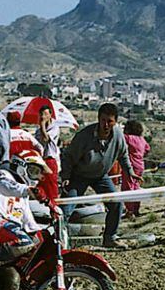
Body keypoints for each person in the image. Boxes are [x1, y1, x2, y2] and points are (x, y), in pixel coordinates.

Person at [61, 103, 143, 247]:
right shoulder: (84, 136)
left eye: (110, 121)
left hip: (100, 176)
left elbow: (123, 155)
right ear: (98, 119)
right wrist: (66, 177)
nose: (106, 125)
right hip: (79, 175)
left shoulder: (118, 135)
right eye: (103, 120)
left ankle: (110, 238)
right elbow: (68, 156)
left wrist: (130, 172)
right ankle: (58, 242)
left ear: (115, 121)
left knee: (116, 204)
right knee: (66, 208)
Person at [0, 149, 51, 285]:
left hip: (11, 228)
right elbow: (8, 188)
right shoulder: (3, 175)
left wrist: (43, 232)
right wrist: (29, 191)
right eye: (33, 171)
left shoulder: (23, 192)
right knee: (24, 241)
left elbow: (28, 219)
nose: (35, 177)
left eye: (38, 174)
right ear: (22, 166)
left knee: (37, 242)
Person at [121, 120, 150, 217]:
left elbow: (119, 138)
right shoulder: (142, 139)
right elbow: (147, 149)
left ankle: (130, 211)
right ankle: (136, 209)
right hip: (140, 165)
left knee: (128, 187)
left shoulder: (128, 138)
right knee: (136, 187)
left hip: (131, 166)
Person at [35, 105, 61, 202]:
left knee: (51, 185)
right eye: (41, 114)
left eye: (45, 114)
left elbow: (46, 139)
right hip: (41, 160)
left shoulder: (54, 127)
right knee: (41, 185)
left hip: (50, 160)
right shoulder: (38, 131)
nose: (43, 116)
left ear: (50, 115)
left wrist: (42, 124)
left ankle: (54, 205)